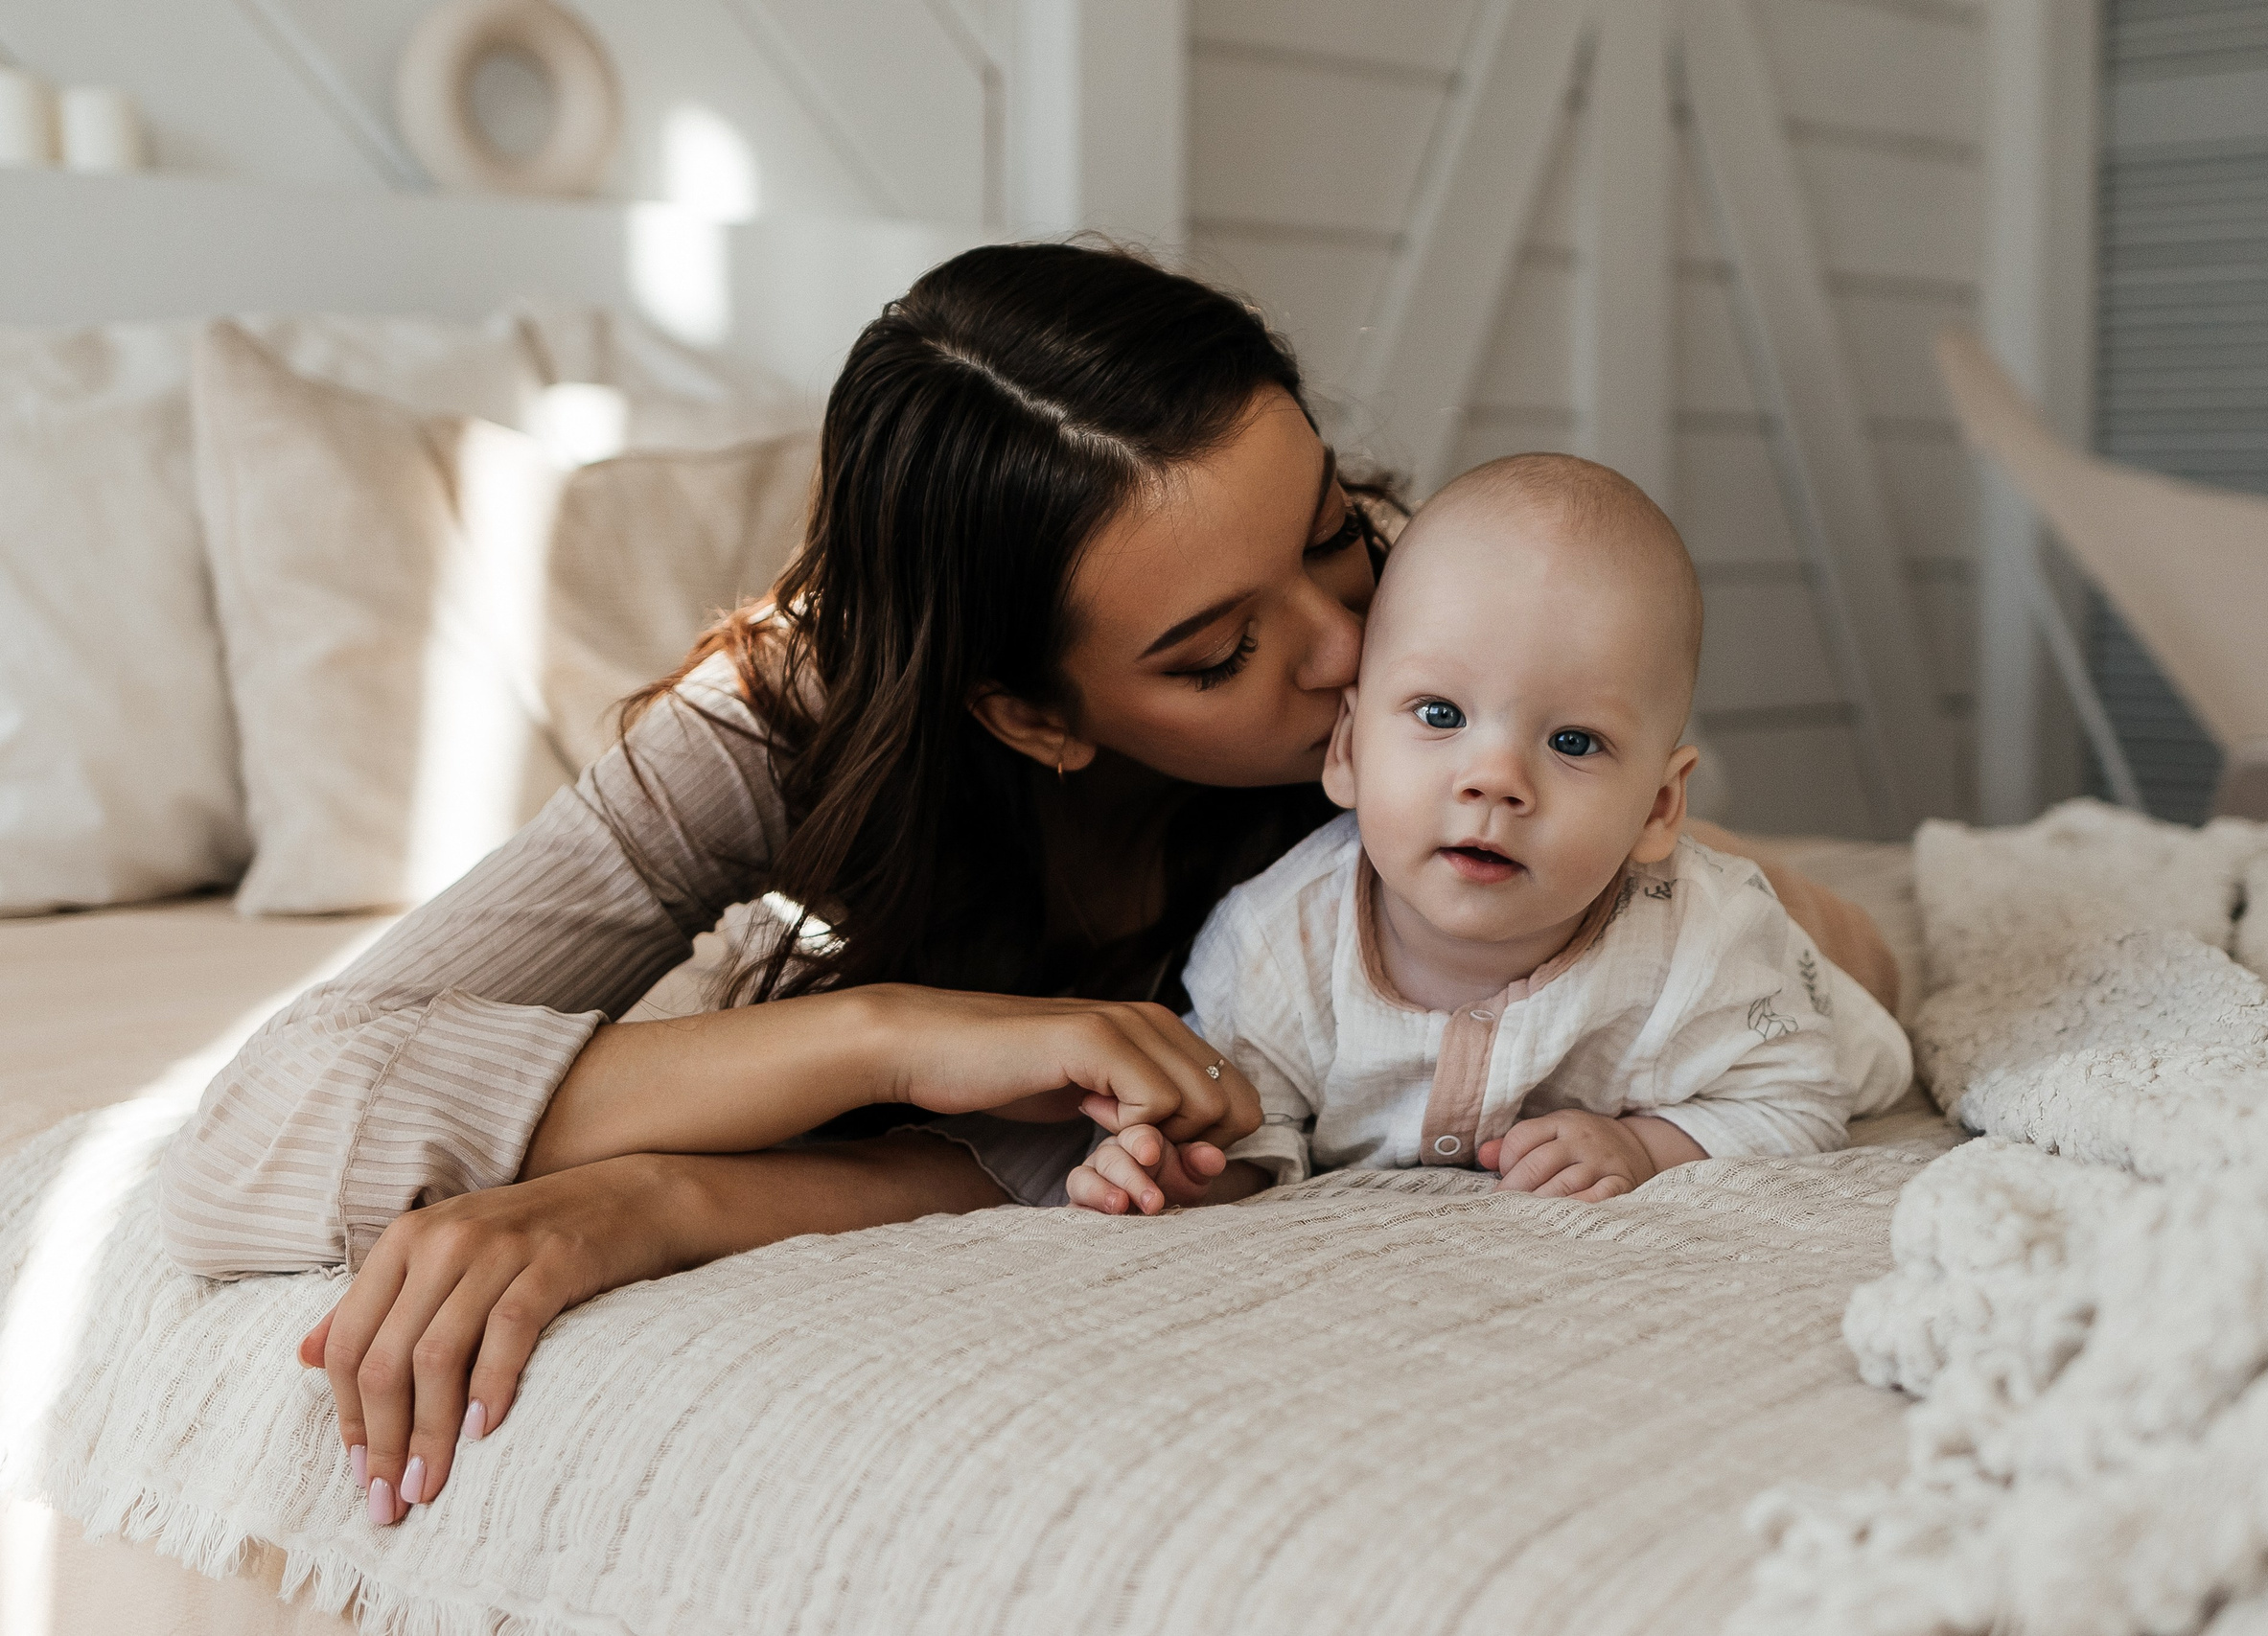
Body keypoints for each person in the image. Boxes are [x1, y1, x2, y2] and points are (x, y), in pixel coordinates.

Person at [155, 244, 1903, 1529]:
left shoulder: (1412, 671)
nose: (1345, 651)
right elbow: (246, 1140)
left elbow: (1785, 954)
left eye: (1328, 533)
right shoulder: (766, 734)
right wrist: (887, 1036)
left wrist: (666, 1200)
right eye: (1220, 652)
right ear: (1029, 713)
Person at [1066, 455, 1910, 1217]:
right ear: (1349, 746)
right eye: (1441, 714)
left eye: (1572, 741)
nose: (1494, 778)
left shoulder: (1707, 948)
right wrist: (1192, 1169)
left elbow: (1800, 1098)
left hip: (1813, 967)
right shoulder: (1273, 947)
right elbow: (1252, 1123)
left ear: (1658, 806)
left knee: (1869, 970)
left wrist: (1648, 1145)